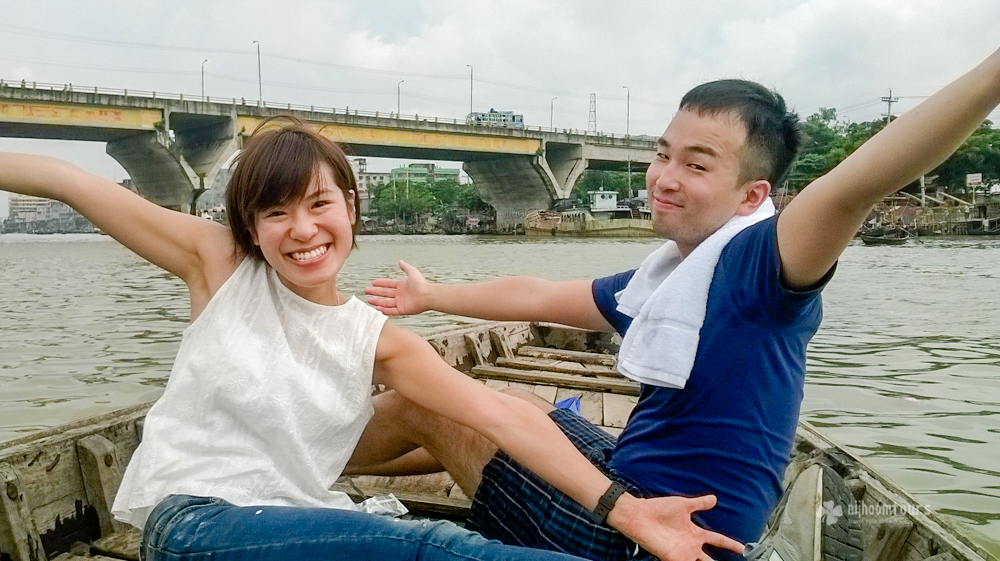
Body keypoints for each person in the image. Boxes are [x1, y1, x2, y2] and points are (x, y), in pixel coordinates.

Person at [0, 117, 743, 561]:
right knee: (436, 548)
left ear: (350, 206)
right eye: (275, 213)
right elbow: (69, 179)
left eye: (318, 203)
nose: (301, 229)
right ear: (251, 228)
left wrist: (626, 506)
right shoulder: (223, 268)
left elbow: (503, 416)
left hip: (290, 527)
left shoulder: (376, 338)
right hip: (194, 524)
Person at [362, 47, 1000, 561]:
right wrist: (431, 295)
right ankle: (367, 456)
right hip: (635, 483)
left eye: (697, 166)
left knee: (429, 403)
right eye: (663, 154)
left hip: (658, 539)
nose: (665, 177)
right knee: (521, 408)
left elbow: (866, 178)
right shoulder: (670, 281)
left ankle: (296, 457)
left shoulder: (761, 269)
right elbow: (536, 294)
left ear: (753, 196)